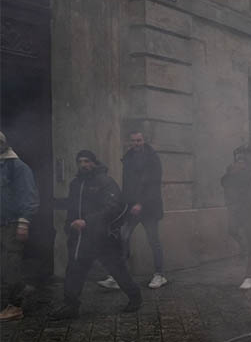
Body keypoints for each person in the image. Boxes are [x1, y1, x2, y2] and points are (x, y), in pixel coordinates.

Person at [51, 151, 141, 320]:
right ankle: (71, 305)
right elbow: (72, 207)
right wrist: (69, 225)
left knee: (117, 269)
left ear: (94, 162)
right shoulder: (76, 183)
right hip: (81, 237)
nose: (83, 164)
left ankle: (135, 297)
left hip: (103, 236)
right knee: (74, 270)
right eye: (80, 161)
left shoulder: (105, 182)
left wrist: (87, 221)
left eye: (87, 161)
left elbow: (113, 207)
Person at [97, 130, 166, 291]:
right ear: (129, 142)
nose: (136, 144)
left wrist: (141, 203)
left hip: (148, 208)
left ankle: (160, 274)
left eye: (139, 140)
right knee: (123, 238)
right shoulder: (128, 158)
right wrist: (125, 204)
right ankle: (119, 276)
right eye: (133, 141)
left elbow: (153, 185)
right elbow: (128, 185)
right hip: (131, 207)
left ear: (144, 140)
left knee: (153, 240)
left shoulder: (153, 158)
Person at [0, 132, 39, 321]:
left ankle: (15, 306)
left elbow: (29, 195)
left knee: (10, 265)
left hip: (11, 223)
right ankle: (19, 292)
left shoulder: (17, 167)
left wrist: (24, 222)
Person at [221, 146, 251, 290]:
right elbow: (225, 183)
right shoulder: (236, 170)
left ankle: (249, 276)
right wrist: (231, 173)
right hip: (243, 212)